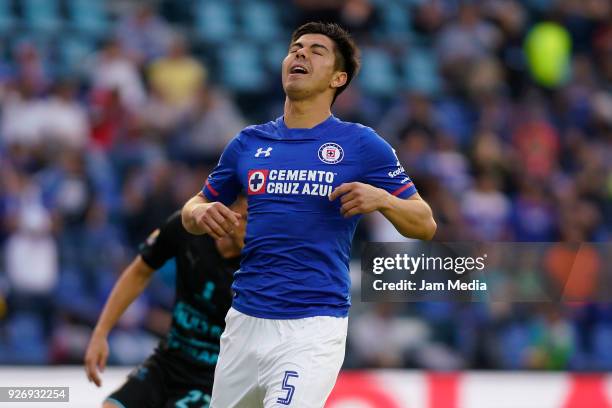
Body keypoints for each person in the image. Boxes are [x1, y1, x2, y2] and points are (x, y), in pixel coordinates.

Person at [181, 22, 437, 407]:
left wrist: (382, 200)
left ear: (339, 77)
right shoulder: (248, 143)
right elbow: (193, 206)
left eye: (316, 50)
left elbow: (425, 223)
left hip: (311, 327)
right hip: (245, 323)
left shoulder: (362, 144)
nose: (300, 53)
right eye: (295, 47)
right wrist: (200, 214)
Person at [84, 198, 247, 408]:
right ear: (226, 210)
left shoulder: (260, 264)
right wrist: (101, 332)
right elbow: (140, 271)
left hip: (213, 379)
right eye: (246, 219)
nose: (254, 229)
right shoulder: (186, 228)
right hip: (167, 361)